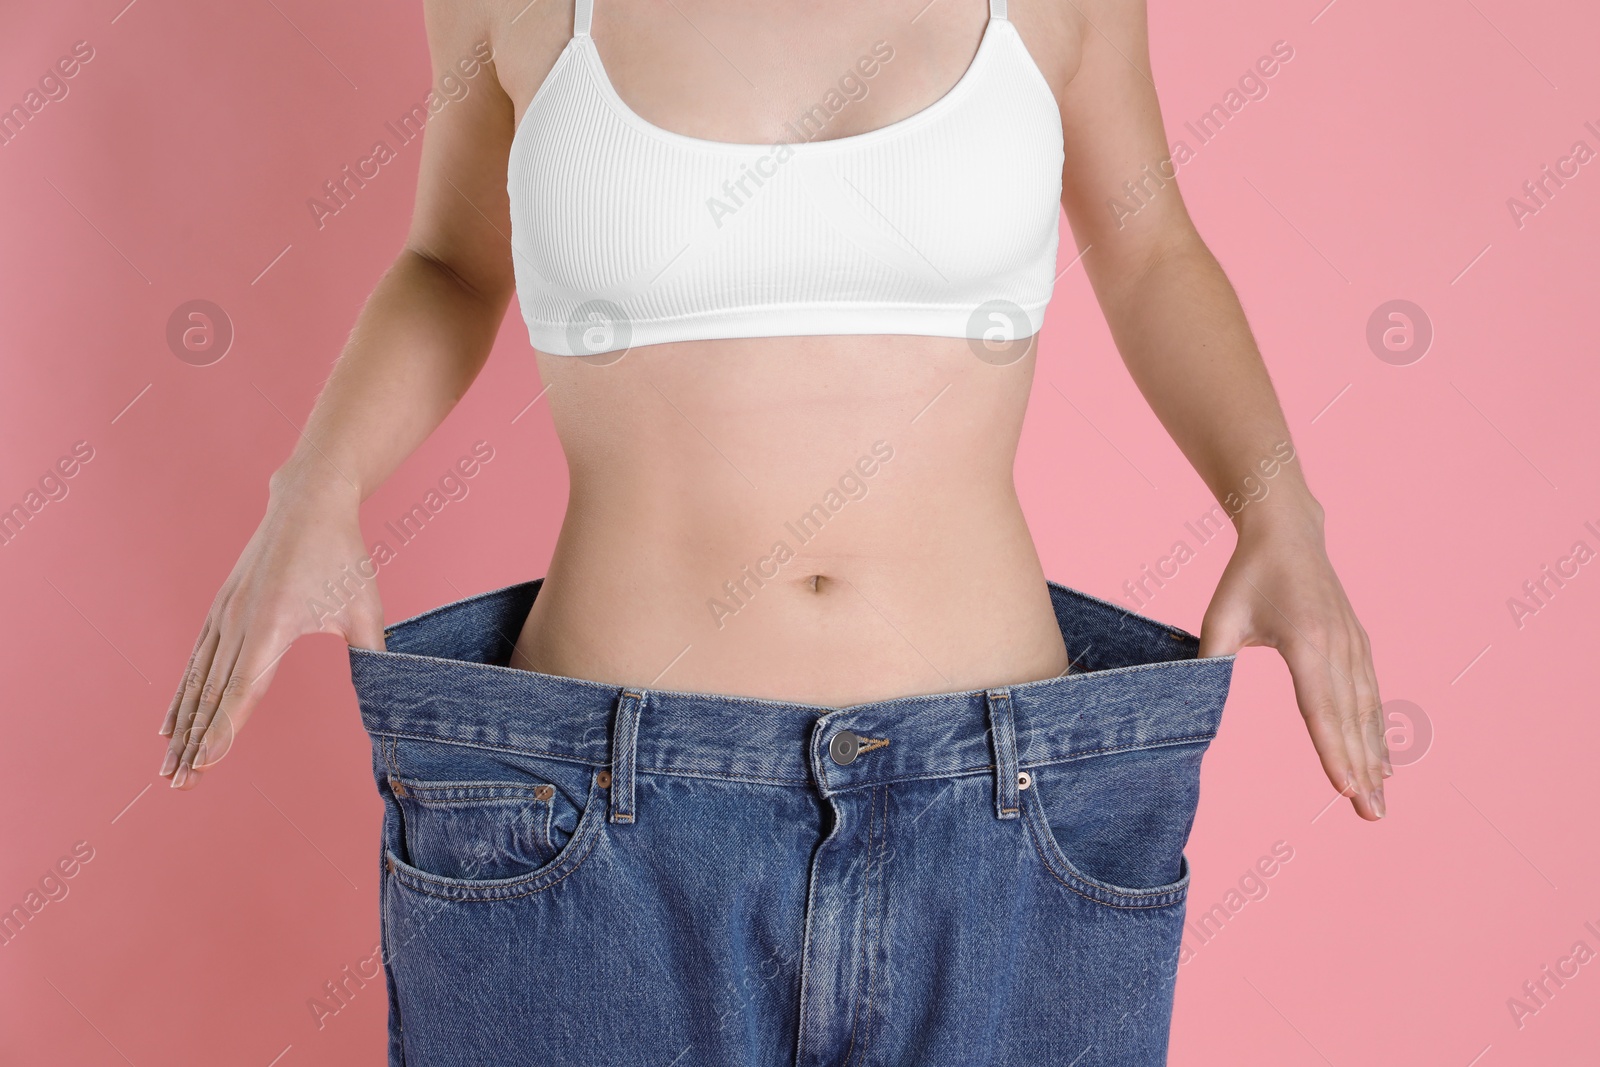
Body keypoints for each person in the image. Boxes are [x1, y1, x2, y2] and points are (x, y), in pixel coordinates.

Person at [159, 0, 1388, 1062]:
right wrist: (311, 490)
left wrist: (1280, 509)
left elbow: (1151, 246)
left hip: (1004, 817)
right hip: (595, 820)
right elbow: (447, 262)